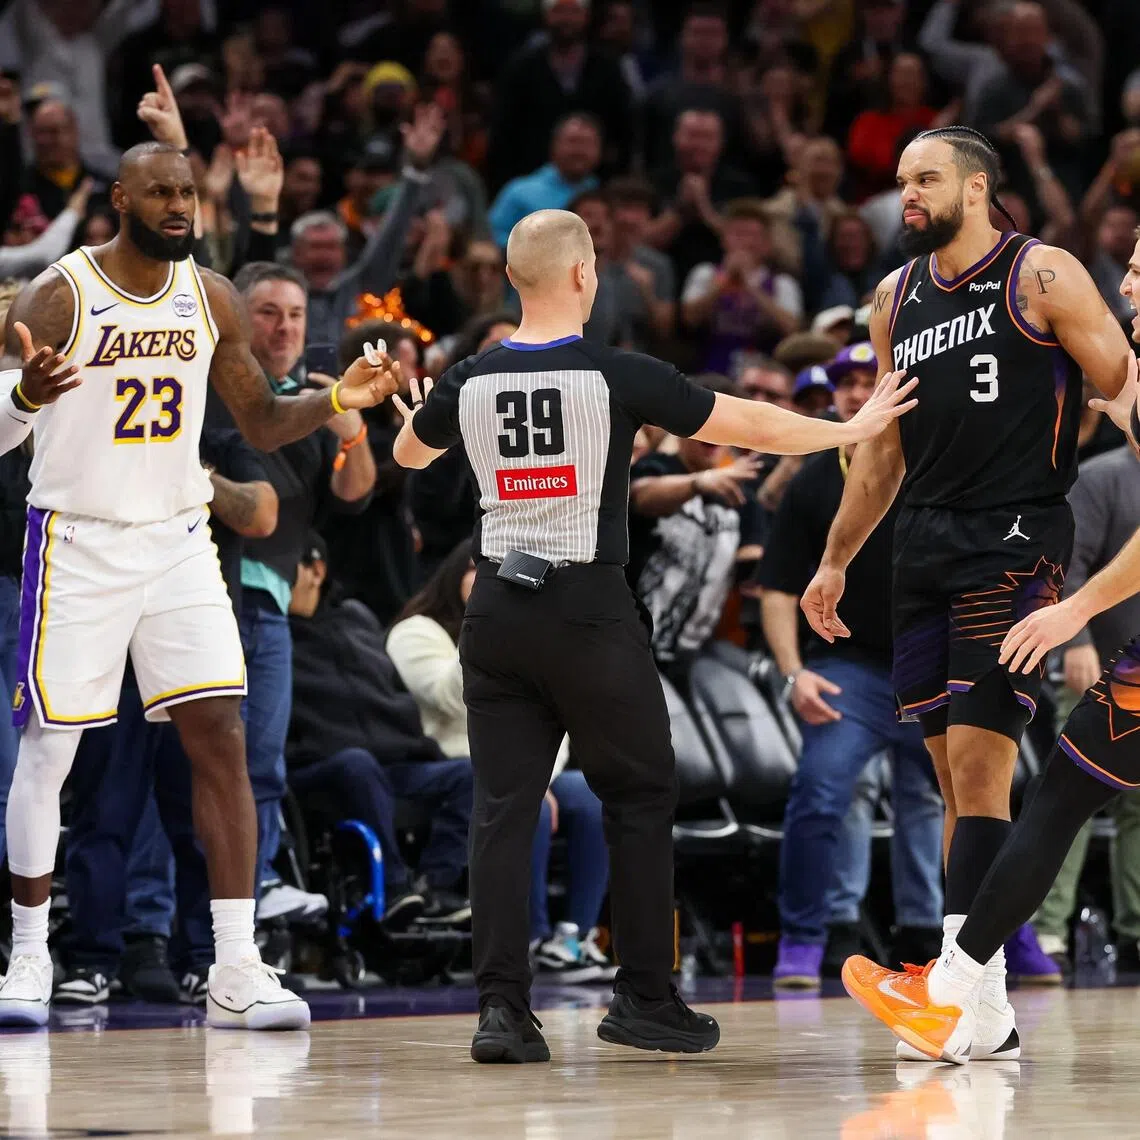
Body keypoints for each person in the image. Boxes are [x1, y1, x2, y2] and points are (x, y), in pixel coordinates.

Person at [388, 207, 917, 1064]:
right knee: (639, 795)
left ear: (514, 282)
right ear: (583, 276)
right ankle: (643, 997)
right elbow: (742, 421)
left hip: (495, 612)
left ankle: (501, 1013)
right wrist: (847, 430)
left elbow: (410, 457)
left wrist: (435, 411)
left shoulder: (470, 377)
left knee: (502, 809)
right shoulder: (614, 373)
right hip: (588, 610)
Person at [0, 139, 401, 1028]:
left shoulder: (210, 296)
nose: (180, 205)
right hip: (80, 539)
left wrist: (342, 403)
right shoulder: (59, 294)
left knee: (219, 736)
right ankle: (28, 959)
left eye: (188, 191)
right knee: (50, 753)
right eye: (162, 192)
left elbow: (258, 420)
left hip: (180, 539)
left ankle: (234, 965)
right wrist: (23, 397)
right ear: (121, 199)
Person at [806, 126, 1134, 1063]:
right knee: (951, 772)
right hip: (924, 543)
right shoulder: (893, 299)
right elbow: (882, 449)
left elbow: (1121, 382)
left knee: (985, 765)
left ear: (979, 187)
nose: (907, 195)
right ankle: (982, 1008)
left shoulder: (1044, 275)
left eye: (927, 179)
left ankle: (953, 991)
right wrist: (835, 559)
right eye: (902, 181)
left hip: (1019, 533)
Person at [758, 343, 944, 987]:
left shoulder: (936, 467)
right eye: (847, 383)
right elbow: (779, 588)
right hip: (851, 667)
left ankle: (990, 940)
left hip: (934, 663)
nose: (857, 391)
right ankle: (806, 938)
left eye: (873, 379)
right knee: (819, 792)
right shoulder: (811, 483)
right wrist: (794, 672)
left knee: (973, 799)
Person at [387, 539, 612, 981]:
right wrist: (487, 623)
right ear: (455, 574)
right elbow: (453, 699)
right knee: (518, 798)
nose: (495, 583)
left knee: (590, 794)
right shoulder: (415, 632)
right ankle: (527, 937)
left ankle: (571, 939)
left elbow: (555, 716)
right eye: (483, 571)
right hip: (450, 768)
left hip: (528, 767)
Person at [287, 535, 472, 926]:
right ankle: (393, 888)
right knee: (357, 764)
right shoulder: (269, 633)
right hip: (318, 766)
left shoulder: (356, 617)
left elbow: (392, 691)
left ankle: (434, 887)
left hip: (391, 762)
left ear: (316, 570)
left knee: (470, 774)